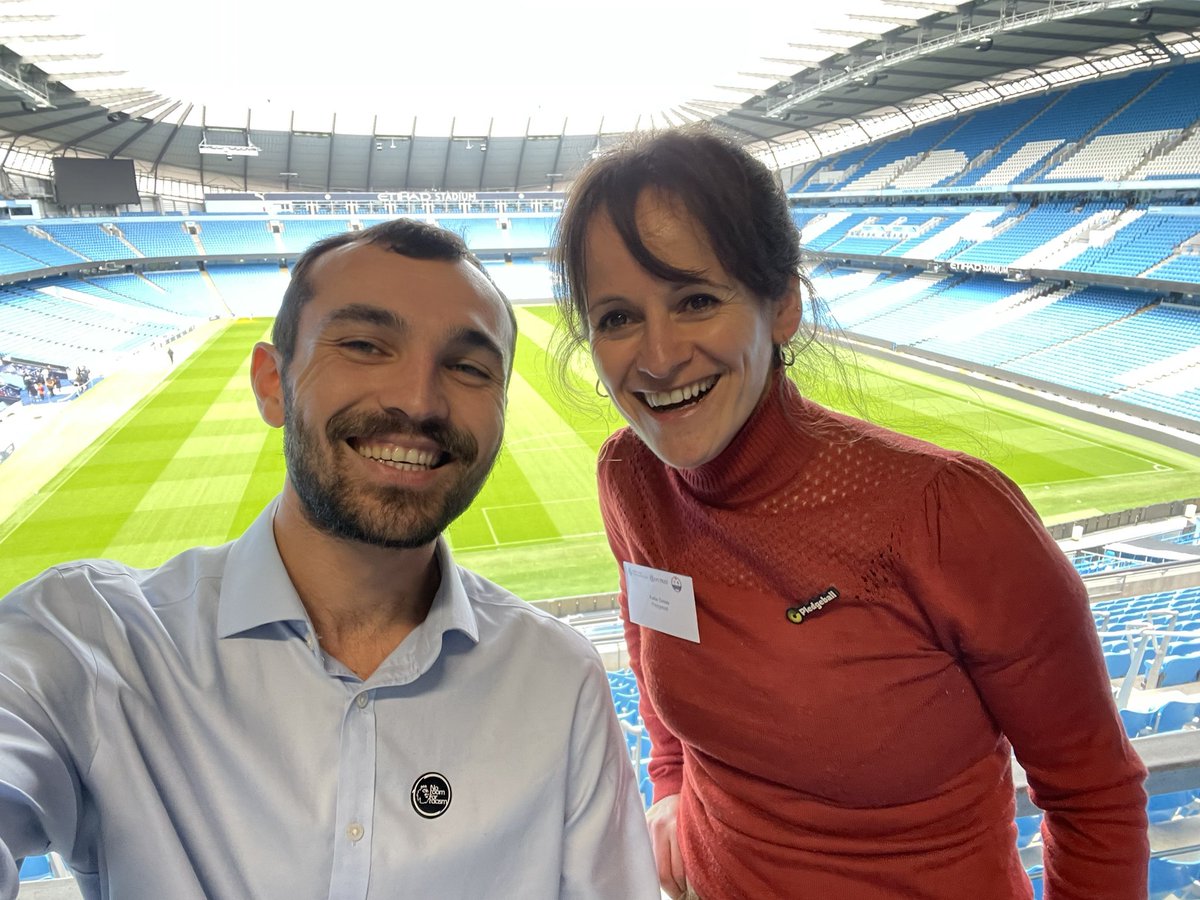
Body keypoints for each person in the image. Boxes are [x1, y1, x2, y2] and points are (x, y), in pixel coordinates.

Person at [551, 126, 1149, 900]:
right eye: (616, 318)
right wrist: (669, 784)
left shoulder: (948, 513)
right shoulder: (631, 478)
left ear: (782, 305)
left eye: (696, 300)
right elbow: (652, 631)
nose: (659, 357)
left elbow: (1095, 799)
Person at [0, 219, 658, 900]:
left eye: (468, 367)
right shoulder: (88, 643)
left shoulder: (560, 682)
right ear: (271, 383)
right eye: (365, 345)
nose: (418, 401)